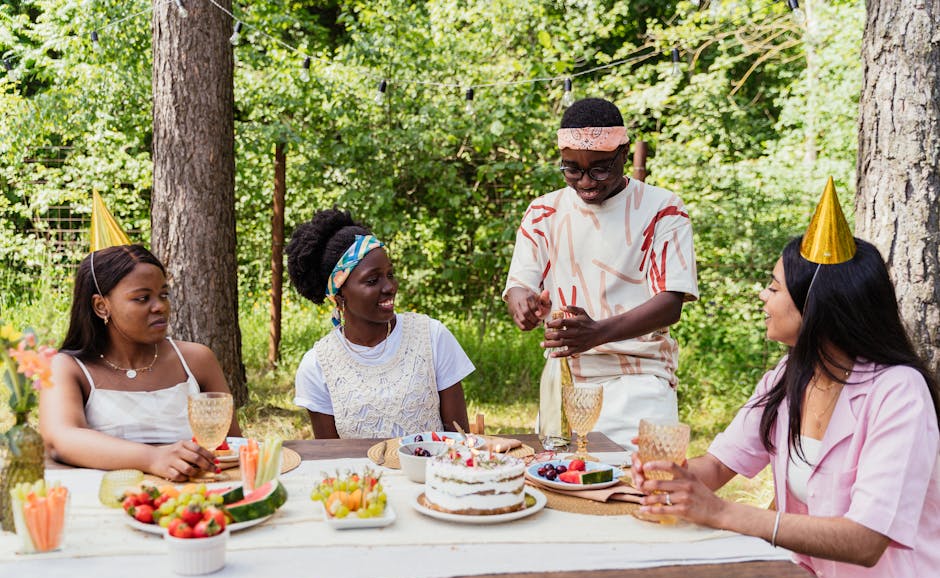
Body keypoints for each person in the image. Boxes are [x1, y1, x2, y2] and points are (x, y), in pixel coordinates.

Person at [632, 181, 939, 578]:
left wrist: (721, 513)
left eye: (774, 288)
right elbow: (717, 467)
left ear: (815, 307)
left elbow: (866, 540)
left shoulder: (898, 392)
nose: (763, 296)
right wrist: (672, 477)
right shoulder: (786, 376)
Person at [504, 97, 699, 448]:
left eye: (599, 168)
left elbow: (671, 302)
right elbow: (519, 284)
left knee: (643, 495)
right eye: (572, 170)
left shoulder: (663, 209)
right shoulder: (542, 212)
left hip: (641, 383)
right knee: (559, 488)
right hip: (565, 383)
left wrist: (597, 333)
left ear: (624, 153)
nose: (586, 182)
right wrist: (523, 304)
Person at [39, 244, 241, 482]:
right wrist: (153, 458)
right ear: (101, 306)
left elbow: (233, 446)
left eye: (164, 295)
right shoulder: (68, 367)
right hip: (108, 504)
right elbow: (61, 439)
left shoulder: (197, 360)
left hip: (195, 505)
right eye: (142, 298)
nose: (160, 307)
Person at [287, 209, 475, 439]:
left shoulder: (432, 337)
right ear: (339, 295)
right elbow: (330, 456)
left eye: (390, 274)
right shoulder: (317, 366)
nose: (390, 287)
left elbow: (460, 440)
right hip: (358, 476)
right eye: (373, 280)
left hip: (433, 473)